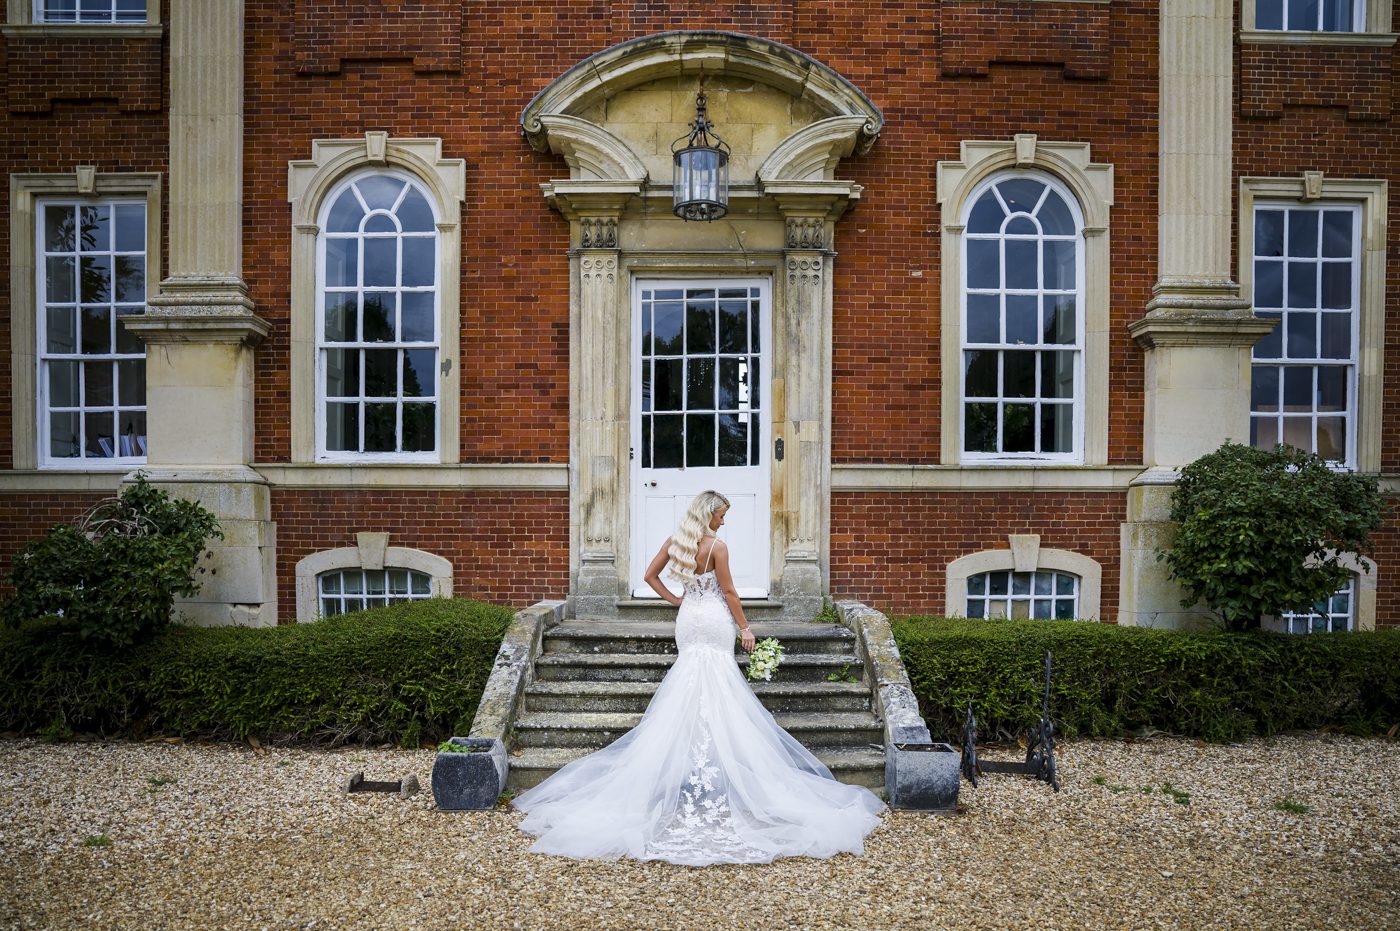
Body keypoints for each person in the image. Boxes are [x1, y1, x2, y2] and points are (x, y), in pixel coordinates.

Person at [512, 490, 885, 865]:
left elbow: (649, 576)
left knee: (690, 681)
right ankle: (721, 777)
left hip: (689, 619)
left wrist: (678, 601)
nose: (724, 520)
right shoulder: (716, 548)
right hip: (715, 620)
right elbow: (729, 591)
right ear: (709, 515)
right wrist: (745, 628)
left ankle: (690, 774)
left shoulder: (676, 542)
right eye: (722, 514)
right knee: (719, 685)